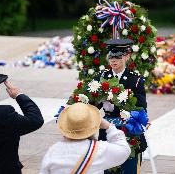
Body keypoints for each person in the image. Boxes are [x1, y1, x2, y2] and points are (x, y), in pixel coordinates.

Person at [94, 39, 148, 174]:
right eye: (111, 57)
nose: (113, 60)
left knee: (129, 169)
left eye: (118, 56)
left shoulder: (135, 80)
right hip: (107, 129)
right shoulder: (101, 77)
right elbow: (92, 103)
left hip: (128, 130)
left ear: (127, 56)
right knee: (109, 170)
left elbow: (141, 108)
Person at [40, 102, 131, 174]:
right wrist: (109, 126)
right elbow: (124, 150)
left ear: (65, 125)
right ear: (93, 124)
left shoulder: (53, 151)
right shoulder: (99, 150)